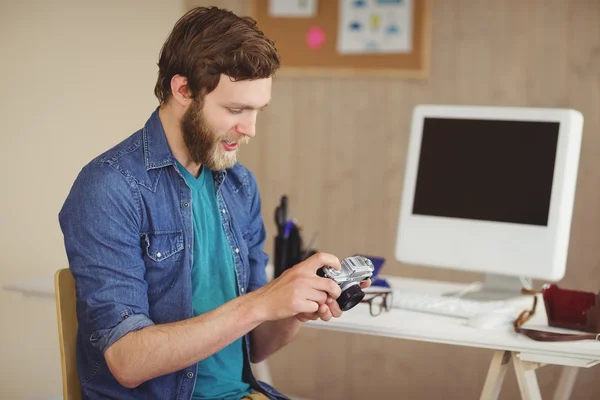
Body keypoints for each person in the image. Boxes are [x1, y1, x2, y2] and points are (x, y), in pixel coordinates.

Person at [59, 6, 369, 400]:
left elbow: (256, 346)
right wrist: (260, 303)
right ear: (183, 90)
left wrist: (296, 308)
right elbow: (127, 361)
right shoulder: (109, 188)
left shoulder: (239, 185)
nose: (250, 129)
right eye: (236, 110)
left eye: (257, 110)